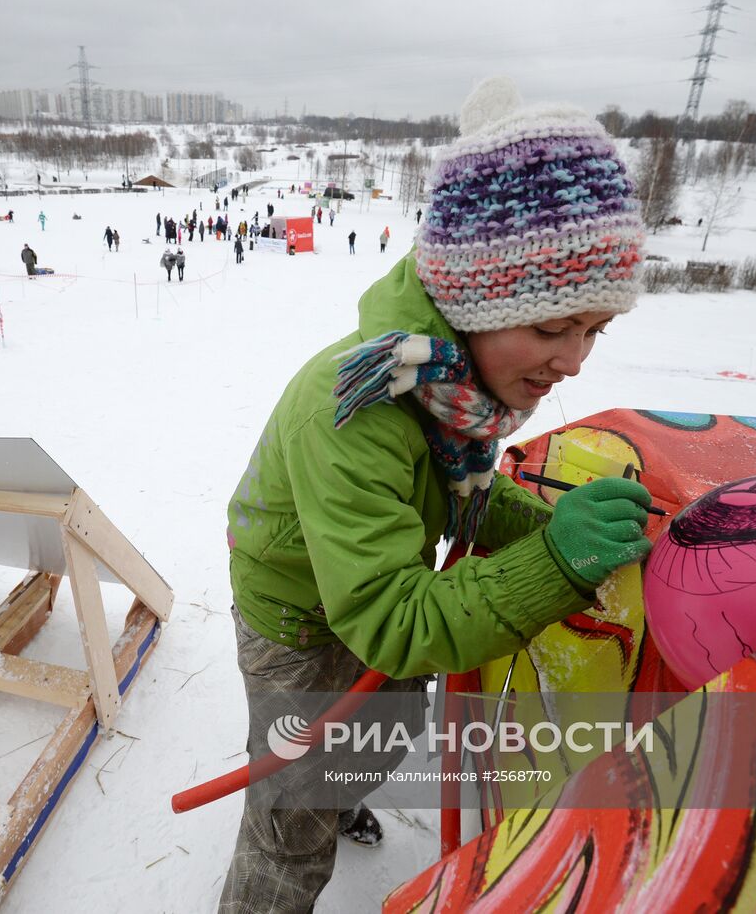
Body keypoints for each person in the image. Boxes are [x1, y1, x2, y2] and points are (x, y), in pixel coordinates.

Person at [217, 76, 649, 913]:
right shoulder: (356, 406)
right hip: (300, 619)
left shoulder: (456, 393)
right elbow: (388, 617)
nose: (576, 362)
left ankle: (342, 789)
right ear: (470, 302)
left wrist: (547, 520)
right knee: (289, 823)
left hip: (373, 586)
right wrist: (555, 562)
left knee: (381, 740)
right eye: (554, 327)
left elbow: (458, 499)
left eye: (595, 329)